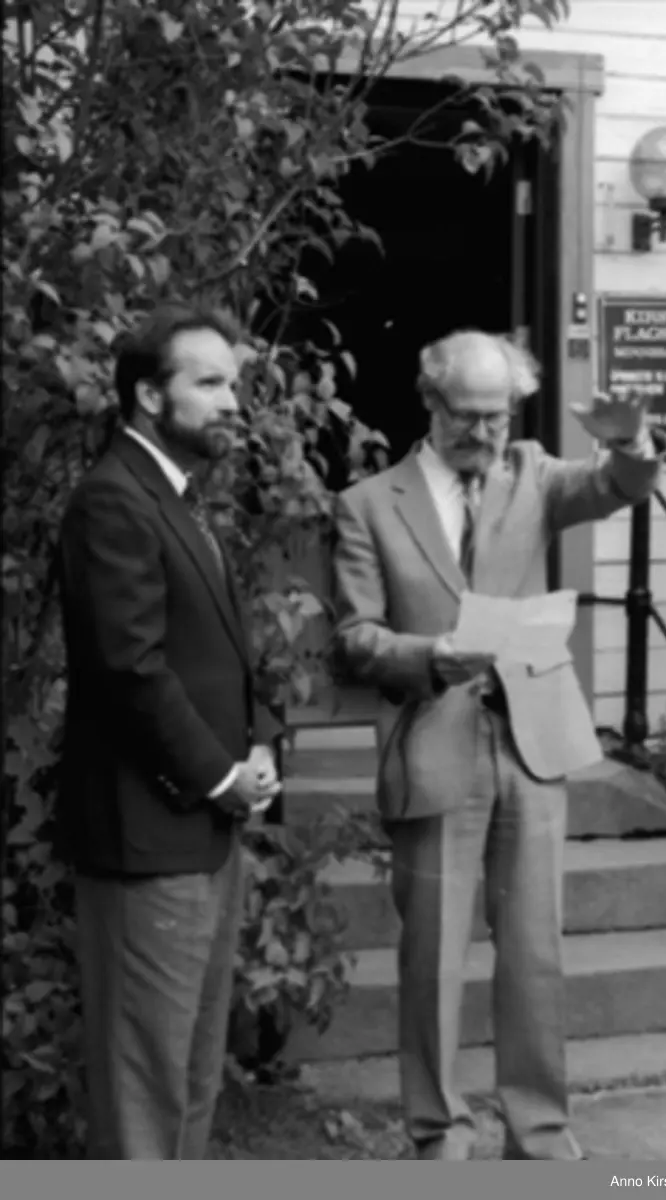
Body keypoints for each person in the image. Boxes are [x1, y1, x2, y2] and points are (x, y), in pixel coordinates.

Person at [332, 329, 666, 1160]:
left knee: (533, 955)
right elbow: (354, 640)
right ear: (429, 402)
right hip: (433, 740)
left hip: (531, 744)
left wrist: (629, 441)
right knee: (432, 960)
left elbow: (617, 484)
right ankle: (438, 1135)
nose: (483, 432)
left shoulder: (534, 475)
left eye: (497, 415)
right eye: (467, 415)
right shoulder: (369, 503)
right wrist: (426, 657)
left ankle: (539, 1135)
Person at [56, 303, 281, 1159]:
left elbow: (217, 656)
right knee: (146, 1084)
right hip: (146, 835)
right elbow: (130, 670)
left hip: (201, 833)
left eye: (236, 383)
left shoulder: (177, 499)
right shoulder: (112, 501)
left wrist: (256, 744)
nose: (233, 401)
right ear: (149, 395)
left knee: (190, 1072)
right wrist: (221, 776)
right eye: (211, 382)